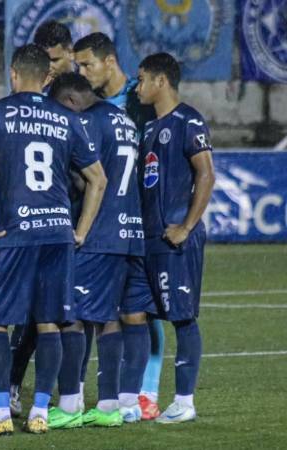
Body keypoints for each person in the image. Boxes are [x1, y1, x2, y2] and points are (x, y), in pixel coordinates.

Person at [0, 44, 107, 435]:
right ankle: (40, 411)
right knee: (48, 323)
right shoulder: (65, 119)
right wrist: (79, 231)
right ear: (47, 79)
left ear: (13, 74)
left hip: (16, 234)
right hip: (58, 234)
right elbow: (98, 179)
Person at [47, 72, 157, 430]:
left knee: (72, 315)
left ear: (70, 102)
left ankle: (68, 404)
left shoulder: (88, 122)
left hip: (100, 233)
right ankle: (111, 404)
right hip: (130, 232)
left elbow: (87, 177)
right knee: (111, 316)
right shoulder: (122, 119)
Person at [74, 31, 164, 420]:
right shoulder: (96, 106)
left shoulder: (137, 101)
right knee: (121, 312)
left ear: (109, 61)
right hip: (123, 225)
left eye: (86, 64)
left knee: (136, 313)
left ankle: (145, 391)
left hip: (122, 221)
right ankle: (120, 396)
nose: (82, 72)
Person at [136, 52, 215, 423]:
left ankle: (184, 401)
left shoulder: (188, 120)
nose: (138, 88)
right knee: (147, 315)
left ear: (161, 81)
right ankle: (144, 395)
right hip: (151, 238)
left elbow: (206, 174)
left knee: (182, 318)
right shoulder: (150, 129)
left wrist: (185, 226)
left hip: (175, 239)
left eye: (142, 80)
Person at [7, 20, 77, 417]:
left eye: (56, 59)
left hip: (80, 217)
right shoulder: (38, 100)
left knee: (81, 315)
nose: (50, 68)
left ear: (69, 53)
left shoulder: (84, 96)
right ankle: (21, 387)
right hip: (52, 218)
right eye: (44, 61)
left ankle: (73, 394)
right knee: (41, 315)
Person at [33, 20, 75, 90]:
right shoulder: (29, 88)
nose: (49, 68)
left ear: (71, 53)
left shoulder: (90, 86)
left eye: (54, 60)